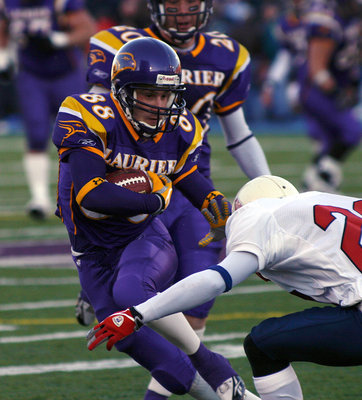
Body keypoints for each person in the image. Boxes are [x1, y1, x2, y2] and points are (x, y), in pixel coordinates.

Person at [52, 37, 248, 400]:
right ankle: (234, 393)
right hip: (91, 253)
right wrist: (156, 199)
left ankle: (210, 360)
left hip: (142, 239)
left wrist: (213, 202)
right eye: (149, 95)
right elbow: (91, 194)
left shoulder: (180, 127)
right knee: (155, 360)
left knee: (131, 291)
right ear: (122, 91)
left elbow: (185, 173)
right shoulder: (89, 114)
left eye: (166, 96)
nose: (160, 105)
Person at [78, 0, 270, 336]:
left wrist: (268, 188)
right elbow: (94, 120)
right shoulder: (118, 44)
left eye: (191, 4)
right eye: (173, 4)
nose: (182, 12)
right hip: (133, 175)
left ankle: (193, 383)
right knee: (127, 294)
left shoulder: (227, 54)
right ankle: (96, 278)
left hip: (189, 177)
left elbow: (238, 134)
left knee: (198, 299)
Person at [87, 174, 362, 400]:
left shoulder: (259, 213)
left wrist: (137, 314)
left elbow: (216, 280)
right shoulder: (335, 202)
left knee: (262, 345)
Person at [0, 0, 96, 219]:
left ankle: (88, 192)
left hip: (66, 73)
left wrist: (61, 39)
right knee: (36, 132)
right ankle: (39, 198)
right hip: (31, 75)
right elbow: (2, 29)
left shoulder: (61, 2)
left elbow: (87, 29)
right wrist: (3, 57)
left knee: (81, 135)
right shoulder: (8, 4)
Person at [299, 0, 361, 193]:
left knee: (329, 142)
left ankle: (312, 183)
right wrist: (338, 93)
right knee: (352, 131)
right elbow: (316, 68)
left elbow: (350, 59)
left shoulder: (351, 20)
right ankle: (320, 182)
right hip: (317, 90)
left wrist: (351, 84)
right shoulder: (327, 23)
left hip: (333, 87)